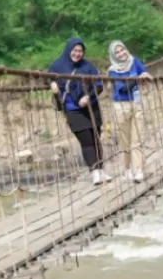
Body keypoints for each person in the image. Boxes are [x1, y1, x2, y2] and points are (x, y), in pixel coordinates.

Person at [49, 38, 111, 186]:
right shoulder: (58, 65)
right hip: (72, 109)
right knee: (86, 140)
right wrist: (52, 84)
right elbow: (47, 77)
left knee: (96, 138)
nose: (77, 54)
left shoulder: (88, 66)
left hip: (91, 107)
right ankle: (95, 172)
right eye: (75, 50)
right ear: (68, 50)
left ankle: (101, 169)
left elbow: (99, 85)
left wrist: (88, 97)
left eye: (80, 51)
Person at [108, 40, 152, 183]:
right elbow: (122, 88)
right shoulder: (112, 71)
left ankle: (138, 169)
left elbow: (143, 70)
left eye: (123, 50)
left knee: (138, 138)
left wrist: (145, 74)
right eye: (117, 52)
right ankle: (127, 169)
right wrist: (138, 78)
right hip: (121, 105)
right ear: (113, 55)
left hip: (137, 103)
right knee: (124, 140)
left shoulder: (134, 61)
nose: (122, 53)